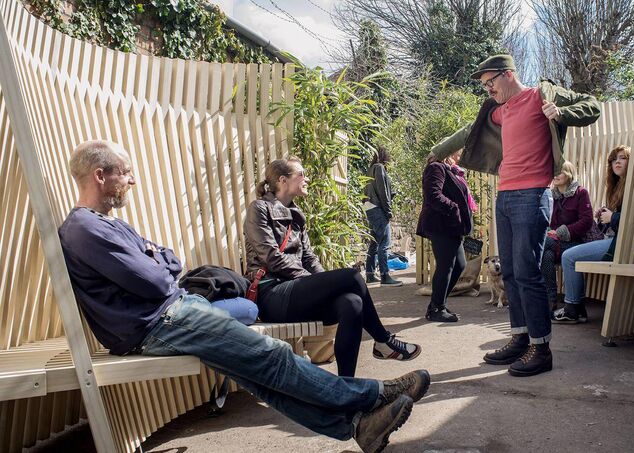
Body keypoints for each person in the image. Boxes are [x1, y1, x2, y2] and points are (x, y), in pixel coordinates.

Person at [58, 140, 430, 453]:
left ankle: (358, 427)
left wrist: (160, 261)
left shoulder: (110, 224)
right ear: (100, 176)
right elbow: (158, 281)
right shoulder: (85, 230)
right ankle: (372, 393)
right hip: (157, 323)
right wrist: (159, 261)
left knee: (257, 375)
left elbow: (170, 261)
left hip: (173, 311)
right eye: (125, 172)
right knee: (271, 355)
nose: (132, 179)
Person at [431, 54, 600, 377]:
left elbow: (592, 105)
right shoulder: (499, 111)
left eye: (490, 82)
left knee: (527, 272)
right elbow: (470, 130)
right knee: (510, 272)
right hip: (505, 196)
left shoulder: (540, 96)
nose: (488, 89)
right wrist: (437, 152)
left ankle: (541, 348)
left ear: (508, 74)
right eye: (484, 85)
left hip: (532, 195)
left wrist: (562, 112)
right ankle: (521, 338)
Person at [244, 157, 422, 378]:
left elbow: (309, 258)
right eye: (301, 174)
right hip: (273, 294)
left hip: (297, 292)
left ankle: (345, 385)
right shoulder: (259, 209)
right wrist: (311, 282)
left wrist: (322, 284)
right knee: (351, 277)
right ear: (282, 180)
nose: (306, 178)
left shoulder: (297, 216)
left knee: (352, 302)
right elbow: (272, 258)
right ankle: (383, 341)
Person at [554, 145, 630, 324]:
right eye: (613, 159)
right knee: (552, 250)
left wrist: (613, 217)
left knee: (569, 257)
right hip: (614, 239)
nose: (616, 161)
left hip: (620, 243)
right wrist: (607, 214)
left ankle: (572, 308)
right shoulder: (619, 187)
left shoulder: (633, 187)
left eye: (622, 158)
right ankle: (575, 309)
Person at [416, 149, 476, 323]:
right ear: (449, 152)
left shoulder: (451, 170)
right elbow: (433, 195)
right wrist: (454, 209)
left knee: (459, 265)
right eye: (458, 151)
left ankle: (437, 304)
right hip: (441, 225)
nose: (461, 155)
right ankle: (437, 308)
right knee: (446, 266)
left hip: (452, 227)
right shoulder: (436, 167)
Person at [541, 161, 595, 315]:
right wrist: (550, 231)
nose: (556, 175)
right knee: (546, 254)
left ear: (569, 173)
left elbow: (586, 221)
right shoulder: (551, 195)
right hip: (554, 244)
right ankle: (551, 299)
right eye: (554, 172)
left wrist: (560, 232)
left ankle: (552, 300)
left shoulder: (580, 193)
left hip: (576, 244)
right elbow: (545, 221)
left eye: (560, 171)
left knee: (543, 245)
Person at [363, 147, 402, 287]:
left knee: (374, 243)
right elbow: (383, 191)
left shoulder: (370, 168)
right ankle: (385, 276)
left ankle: (370, 275)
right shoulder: (379, 167)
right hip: (377, 207)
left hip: (369, 207)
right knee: (384, 243)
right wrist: (388, 211)